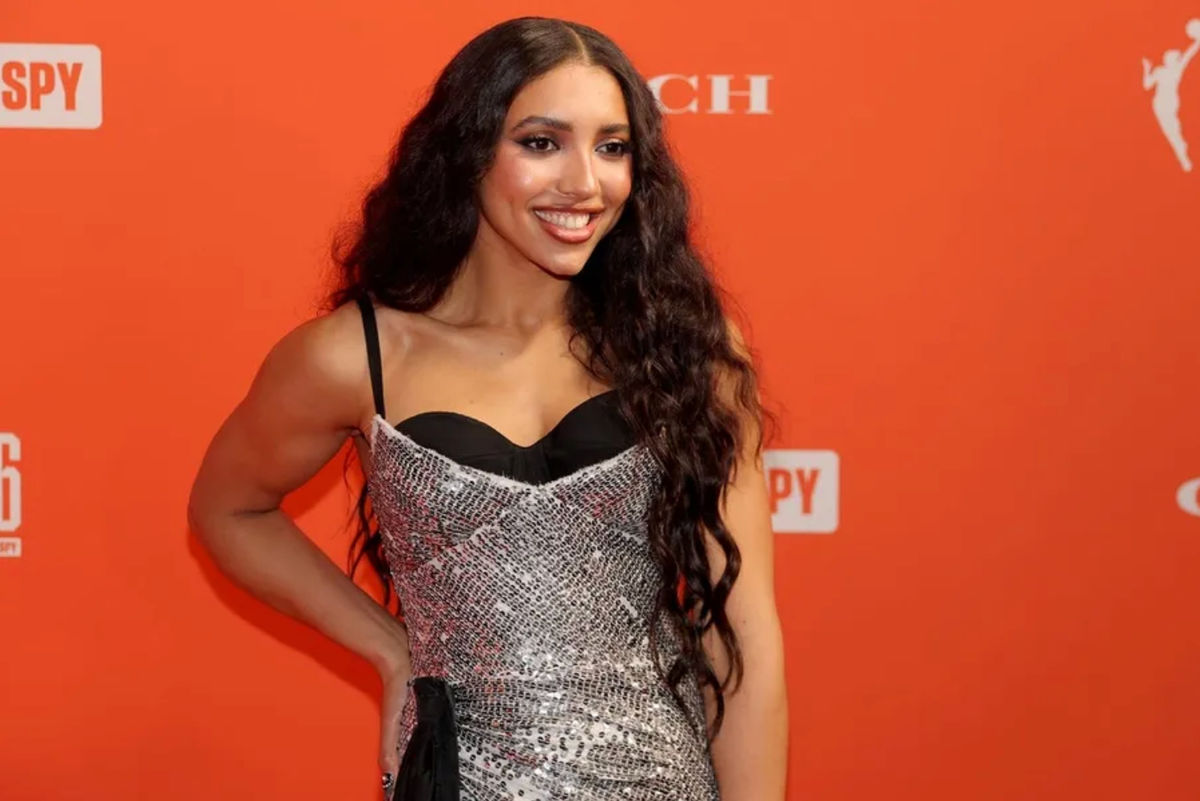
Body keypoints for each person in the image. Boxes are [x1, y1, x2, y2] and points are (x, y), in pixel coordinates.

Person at [187, 16, 788, 801]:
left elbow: (745, 643)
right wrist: (392, 648)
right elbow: (228, 509)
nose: (585, 182)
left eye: (613, 147)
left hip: (661, 778)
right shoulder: (354, 356)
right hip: (459, 777)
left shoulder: (689, 353)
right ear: (468, 153)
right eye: (542, 142)